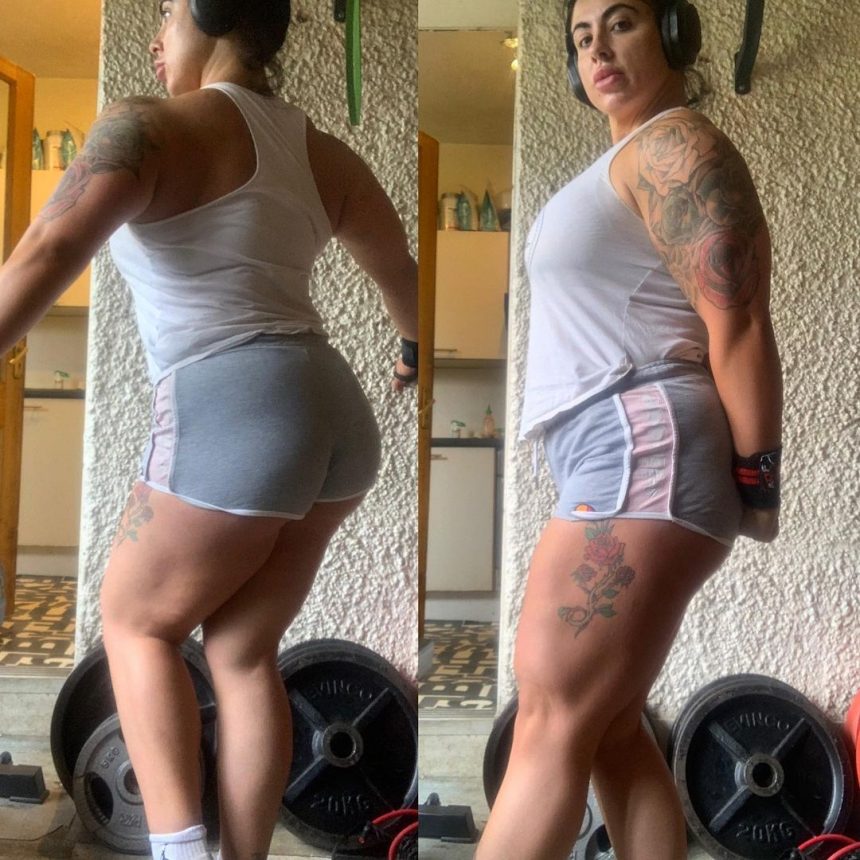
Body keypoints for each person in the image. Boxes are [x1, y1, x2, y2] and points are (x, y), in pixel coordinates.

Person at [0, 1, 417, 859]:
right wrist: (412, 349)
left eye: (166, 11)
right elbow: (400, 272)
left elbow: (46, 251)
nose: (156, 38)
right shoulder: (323, 153)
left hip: (236, 405)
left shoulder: (148, 128)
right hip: (334, 414)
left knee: (136, 623)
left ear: (210, 9)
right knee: (242, 651)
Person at [476, 0, 782, 858]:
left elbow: (740, 322)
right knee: (608, 726)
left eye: (621, 24)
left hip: (642, 446)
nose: (598, 50)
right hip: (618, 451)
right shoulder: (628, 158)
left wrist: (758, 480)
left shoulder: (673, 146)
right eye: (582, 38)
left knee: (549, 714)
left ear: (674, 34)